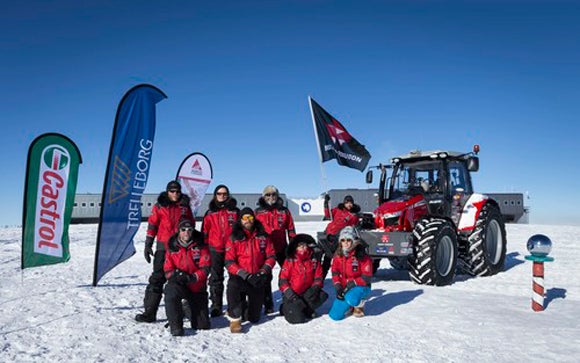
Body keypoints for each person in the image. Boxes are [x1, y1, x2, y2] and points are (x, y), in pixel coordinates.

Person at [135, 180, 195, 323]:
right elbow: (152, 224)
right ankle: (150, 312)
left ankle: (187, 310)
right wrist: (148, 243)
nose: (175, 194)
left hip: (180, 248)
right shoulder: (160, 206)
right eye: (172, 191)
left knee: (182, 279)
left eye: (177, 191)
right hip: (163, 247)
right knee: (157, 279)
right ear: (167, 192)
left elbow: (191, 225)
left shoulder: (185, 207)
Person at [225, 208, 276, 333]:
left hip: (257, 276)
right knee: (232, 286)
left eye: (251, 218)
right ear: (241, 220)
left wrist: (263, 272)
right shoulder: (233, 237)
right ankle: (235, 318)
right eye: (245, 218)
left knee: (254, 318)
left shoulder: (263, 236)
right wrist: (244, 275)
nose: (248, 221)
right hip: (241, 276)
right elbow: (229, 262)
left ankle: (246, 308)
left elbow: (271, 256)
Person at [163, 220, 211, 336]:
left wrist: (193, 277)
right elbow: (167, 270)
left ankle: (187, 308)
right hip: (179, 284)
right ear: (179, 231)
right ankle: (175, 325)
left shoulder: (201, 246)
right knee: (170, 291)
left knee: (202, 325)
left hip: (196, 286)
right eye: (183, 230)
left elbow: (206, 268)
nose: (186, 232)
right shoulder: (172, 247)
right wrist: (176, 274)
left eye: (189, 230)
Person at [254, 185, 296, 314]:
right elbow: (253, 231)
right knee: (265, 277)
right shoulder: (258, 212)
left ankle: (288, 301)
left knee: (288, 275)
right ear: (263, 196)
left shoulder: (284, 211)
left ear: (277, 196)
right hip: (264, 250)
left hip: (281, 247)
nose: (271, 197)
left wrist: (293, 246)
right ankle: (268, 304)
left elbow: (291, 229)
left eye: (273, 194)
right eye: (268, 195)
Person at [202, 184, 239, 318]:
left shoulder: (235, 212)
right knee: (216, 278)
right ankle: (216, 306)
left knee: (234, 278)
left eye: (224, 194)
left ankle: (233, 305)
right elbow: (204, 233)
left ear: (228, 195)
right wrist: (205, 250)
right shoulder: (210, 213)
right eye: (219, 193)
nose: (222, 196)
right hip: (215, 249)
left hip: (231, 249)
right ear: (215, 195)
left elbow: (241, 231)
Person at [278, 234, 328, 324]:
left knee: (322, 296)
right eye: (299, 246)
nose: (302, 247)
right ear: (295, 248)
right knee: (298, 319)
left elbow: (318, 276)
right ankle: (285, 308)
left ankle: (306, 309)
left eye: (304, 245)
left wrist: (314, 288)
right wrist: (291, 296)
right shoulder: (290, 260)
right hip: (293, 295)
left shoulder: (314, 259)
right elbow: (282, 281)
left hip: (307, 292)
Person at [328, 226, 372, 321]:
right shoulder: (338, 255)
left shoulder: (361, 254)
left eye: (348, 239)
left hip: (361, 285)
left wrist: (354, 283)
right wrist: (338, 285)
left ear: (353, 241)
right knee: (334, 316)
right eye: (343, 240)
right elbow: (335, 272)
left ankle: (360, 303)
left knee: (352, 298)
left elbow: (366, 277)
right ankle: (349, 305)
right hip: (345, 286)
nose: (346, 243)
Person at [321, 195, 361, 279]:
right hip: (328, 234)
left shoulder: (353, 215)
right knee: (323, 256)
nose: (349, 204)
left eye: (351, 203)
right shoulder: (337, 209)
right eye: (347, 202)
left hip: (338, 238)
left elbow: (352, 227)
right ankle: (321, 277)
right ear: (344, 203)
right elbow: (328, 214)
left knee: (334, 258)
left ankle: (342, 277)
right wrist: (326, 203)